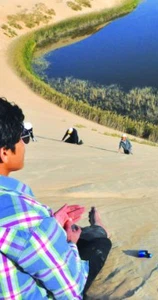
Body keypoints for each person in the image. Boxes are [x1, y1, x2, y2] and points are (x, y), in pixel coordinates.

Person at [0, 97, 111, 299]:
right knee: (100, 242)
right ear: (5, 153)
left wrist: (52, 224)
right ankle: (99, 227)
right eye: (21, 138)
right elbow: (72, 288)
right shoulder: (22, 216)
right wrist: (69, 242)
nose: (25, 144)